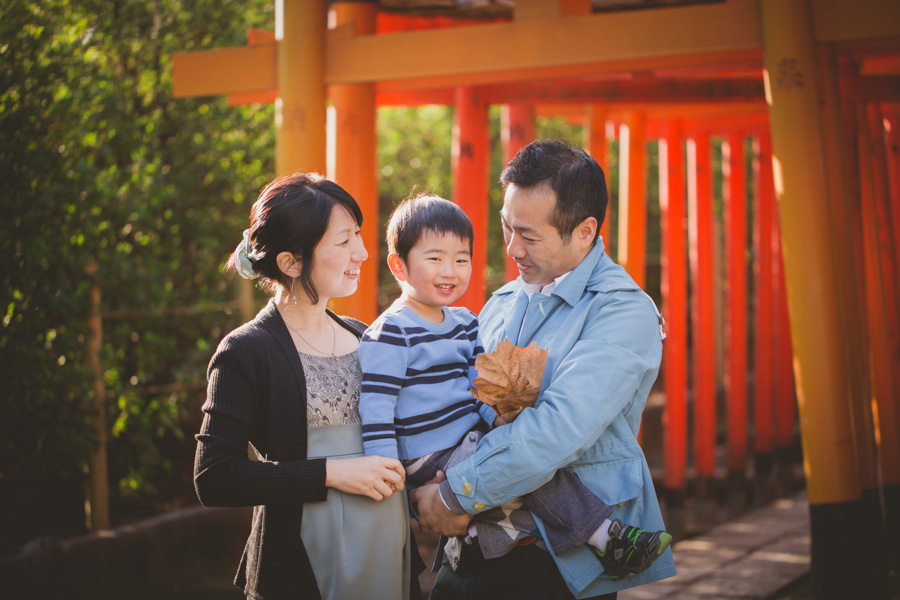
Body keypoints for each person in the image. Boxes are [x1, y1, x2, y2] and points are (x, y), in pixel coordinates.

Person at [412, 140, 677, 599]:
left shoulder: (622, 313)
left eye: (529, 236)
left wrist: (454, 495)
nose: (513, 247)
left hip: (550, 566)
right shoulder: (503, 301)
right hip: (467, 554)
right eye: (507, 227)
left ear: (585, 231)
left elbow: (557, 430)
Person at [193, 172, 422, 600]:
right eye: (343, 241)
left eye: (358, 234)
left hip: (386, 545)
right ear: (291, 262)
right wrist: (332, 473)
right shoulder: (246, 350)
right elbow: (215, 476)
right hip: (304, 556)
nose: (362, 252)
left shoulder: (366, 336)